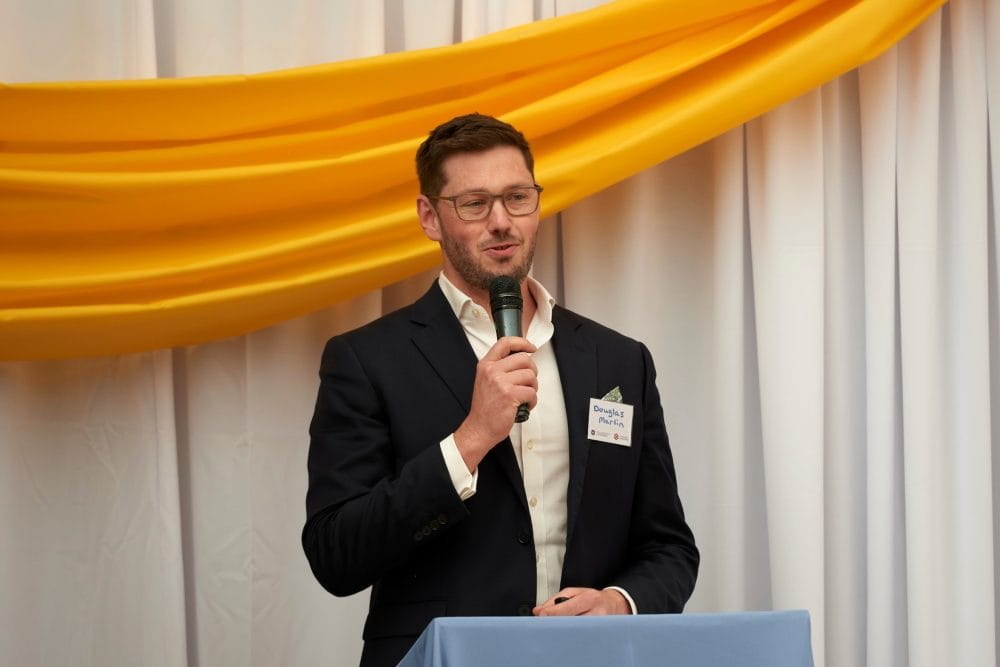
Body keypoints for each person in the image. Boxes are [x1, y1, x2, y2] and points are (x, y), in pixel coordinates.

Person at [302, 113, 699, 667]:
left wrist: (620, 603)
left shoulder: (619, 361)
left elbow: (669, 546)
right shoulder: (368, 360)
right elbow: (335, 555)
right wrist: (468, 440)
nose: (501, 222)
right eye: (474, 204)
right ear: (430, 217)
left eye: (517, 198)